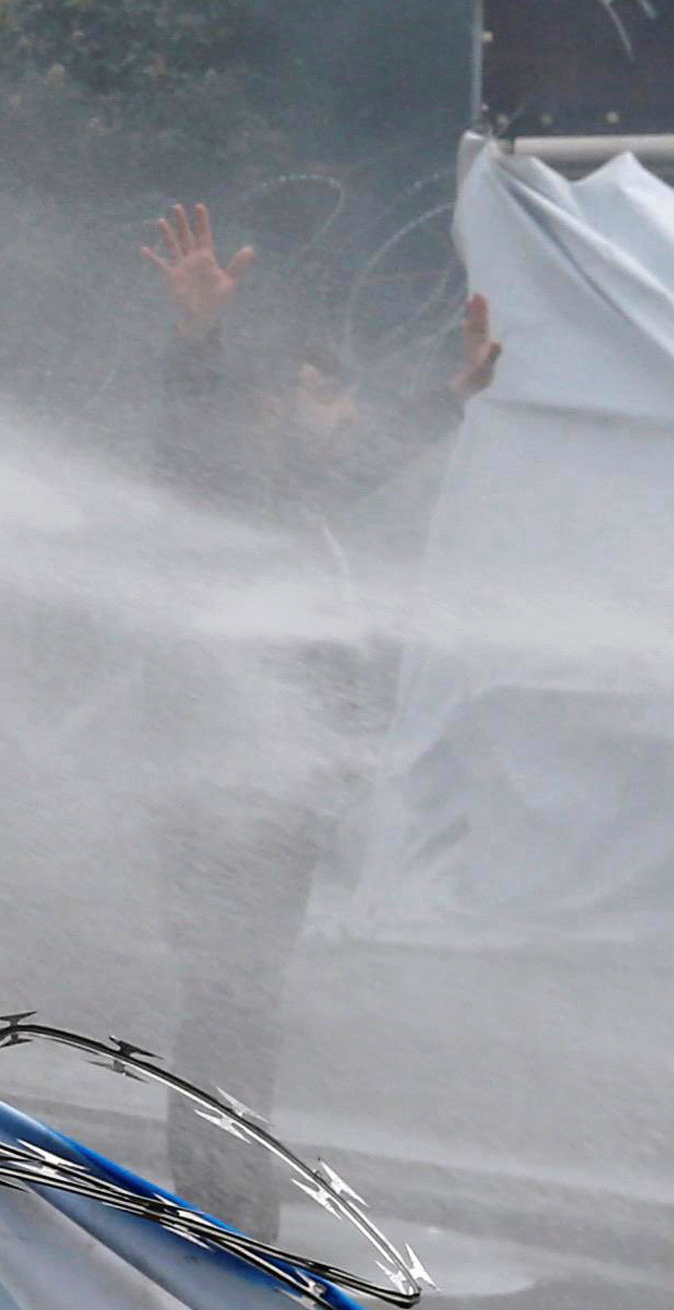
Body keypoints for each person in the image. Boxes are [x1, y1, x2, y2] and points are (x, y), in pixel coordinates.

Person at [135, 201, 497, 1234]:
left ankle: (231, 1178)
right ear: (264, 411)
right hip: (217, 793)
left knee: (245, 996)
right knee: (228, 993)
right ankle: (222, 1197)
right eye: (323, 394)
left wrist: (457, 396)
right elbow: (190, 422)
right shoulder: (215, 488)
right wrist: (198, 335)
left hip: (276, 800)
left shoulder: (298, 498)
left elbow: (370, 462)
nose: (344, 412)